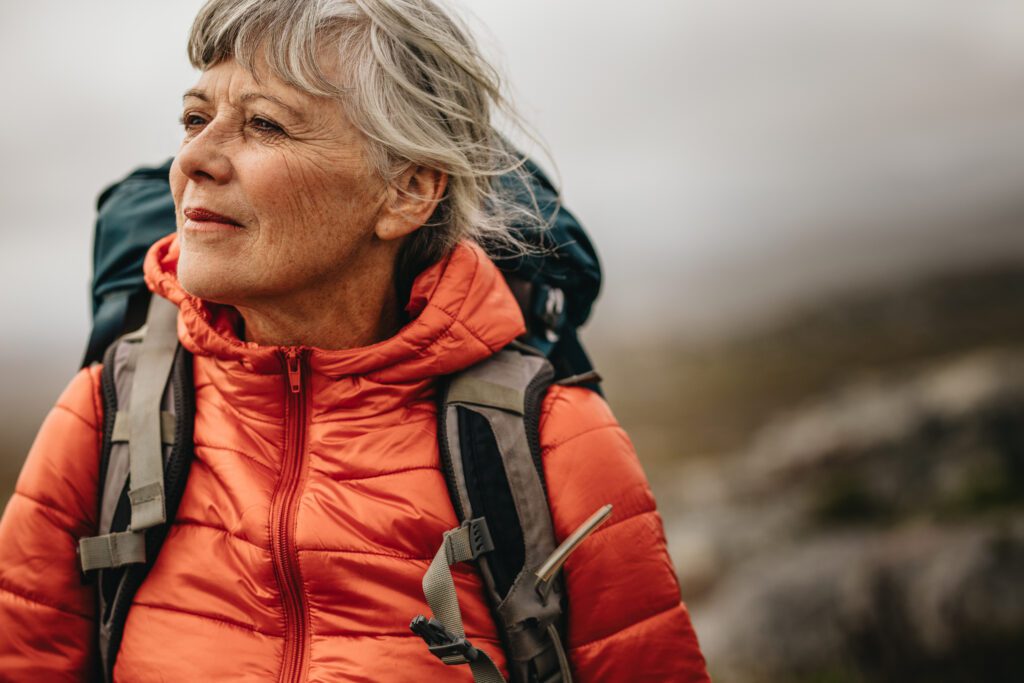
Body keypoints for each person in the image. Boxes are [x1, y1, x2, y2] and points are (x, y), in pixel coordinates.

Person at [0, 0, 709, 680]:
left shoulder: (556, 442)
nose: (192, 162)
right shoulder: (109, 411)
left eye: (265, 126)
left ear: (407, 192)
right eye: (195, 117)